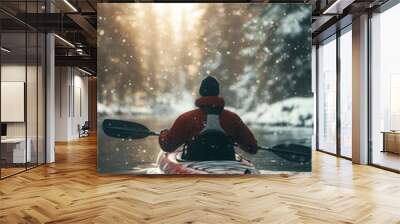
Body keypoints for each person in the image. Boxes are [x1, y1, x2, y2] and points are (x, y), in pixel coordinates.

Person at [159, 76, 258, 161]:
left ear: (201, 92)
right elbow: (252, 148)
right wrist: (237, 141)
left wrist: (163, 134)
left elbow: (168, 146)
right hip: (226, 160)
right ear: (217, 92)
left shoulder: (186, 118)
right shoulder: (233, 118)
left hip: (194, 159)